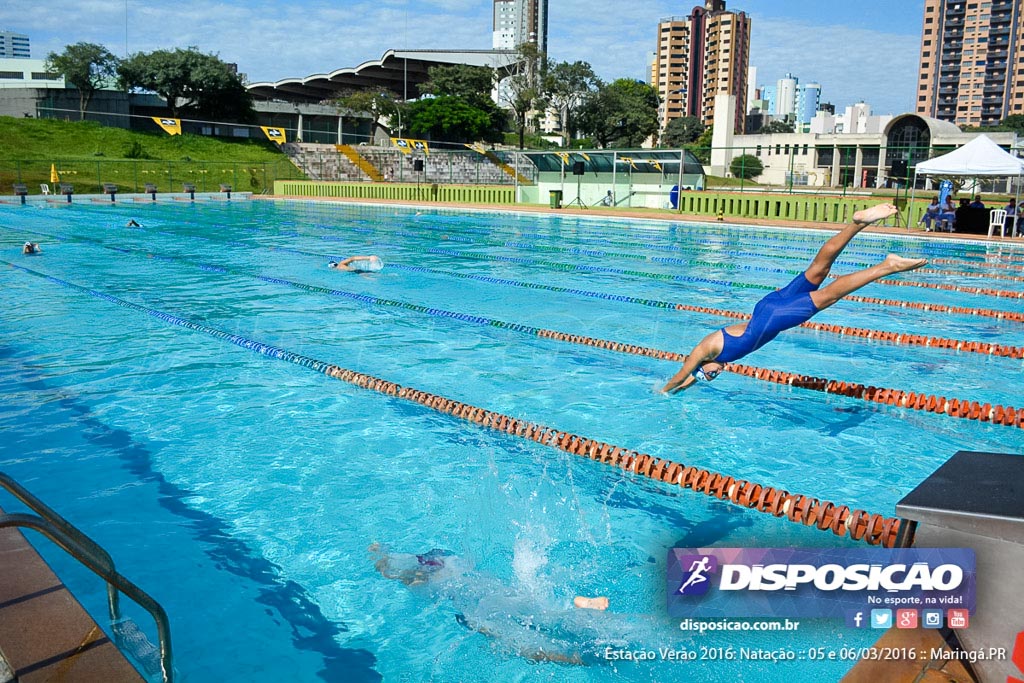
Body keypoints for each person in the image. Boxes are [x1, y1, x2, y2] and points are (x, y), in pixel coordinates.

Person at [660, 203, 927, 393]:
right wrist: (684, 388)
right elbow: (690, 378)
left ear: (702, 366)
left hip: (774, 317)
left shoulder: (703, 351)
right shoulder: (711, 356)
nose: (715, 376)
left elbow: (681, 375)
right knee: (818, 269)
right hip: (767, 306)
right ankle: (856, 223)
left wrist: (662, 393)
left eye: (710, 376)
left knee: (827, 297)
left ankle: (886, 266)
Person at [369, 543, 610, 664]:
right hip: (492, 586)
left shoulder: (425, 582)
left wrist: (378, 557)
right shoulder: (452, 562)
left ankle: (558, 655)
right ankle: (574, 603)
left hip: (476, 602)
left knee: (500, 631)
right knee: (535, 607)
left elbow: (390, 571)